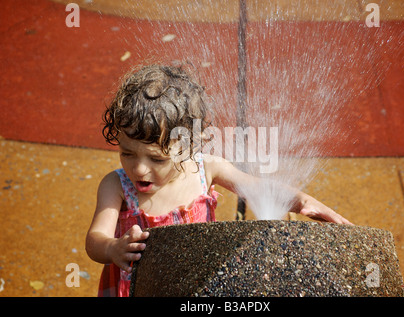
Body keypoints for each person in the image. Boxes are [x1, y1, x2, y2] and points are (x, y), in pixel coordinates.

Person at [85, 64, 353, 297]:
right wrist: (114, 248)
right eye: (127, 154)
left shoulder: (206, 169)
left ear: (189, 146)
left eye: (157, 160)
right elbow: (95, 240)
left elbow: (258, 187)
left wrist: (301, 200)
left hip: (198, 283)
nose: (140, 170)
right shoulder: (116, 185)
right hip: (139, 288)